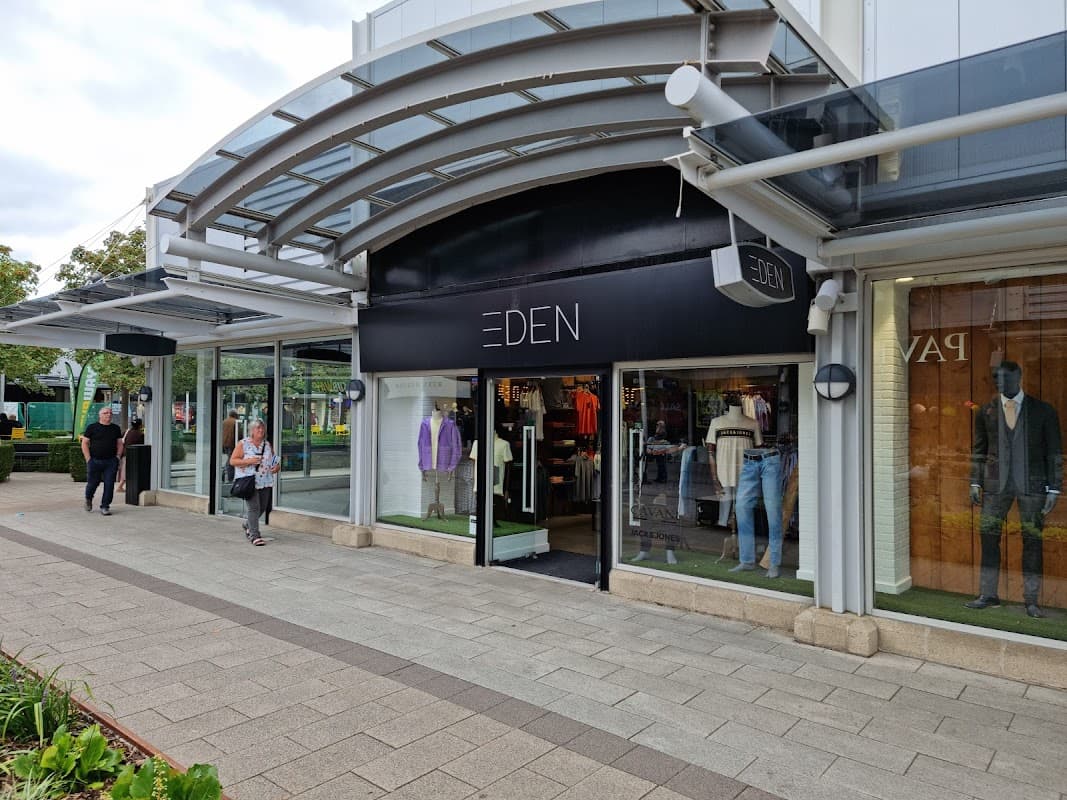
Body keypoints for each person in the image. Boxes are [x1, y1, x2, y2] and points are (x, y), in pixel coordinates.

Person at [968, 361, 1062, 618]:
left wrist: (1054, 488)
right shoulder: (986, 411)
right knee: (988, 538)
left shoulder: (1043, 411)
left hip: (1032, 486)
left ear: (1019, 377)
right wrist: (975, 481)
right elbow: (979, 450)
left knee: (1032, 541)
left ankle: (1031, 601)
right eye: (996, 379)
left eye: (1006, 378)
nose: (1000, 383)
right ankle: (988, 595)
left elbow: (1054, 452)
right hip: (995, 486)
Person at [230, 419, 280, 546]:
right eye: (258, 428)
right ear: (252, 430)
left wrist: (276, 467)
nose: (261, 430)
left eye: (262, 428)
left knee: (262, 507)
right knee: (254, 508)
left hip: (265, 480)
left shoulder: (267, 445)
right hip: (249, 481)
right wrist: (249, 461)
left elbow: (274, 460)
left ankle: (248, 524)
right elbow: (233, 461)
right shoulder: (243, 444)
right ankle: (254, 535)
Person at [81, 407, 124, 516]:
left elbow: (119, 443)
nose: (108, 415)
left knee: (109, 484)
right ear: (100, 415)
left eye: (110, 413)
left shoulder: (115, 428)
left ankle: (105, 506)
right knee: (93, 483)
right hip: (95, 461)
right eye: (105, 413)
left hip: (111, 461)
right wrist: (88, 459)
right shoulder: (92, 427)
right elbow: (85, 443)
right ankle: (88, 498)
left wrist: (118, 457)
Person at [117, 418, 145, 492]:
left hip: (124, 453)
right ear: (140, 425)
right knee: (127, 471)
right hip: (134, 455)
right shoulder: (140, 434)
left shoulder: (126, 431)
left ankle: (121, 486)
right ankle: (120, 487)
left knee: (125, 470)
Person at [221, 410, 238, 482]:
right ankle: (226, 472)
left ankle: (225, 471)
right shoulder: (236, 422)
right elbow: (239, 433)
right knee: (231, 460)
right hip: (232, 444)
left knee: (230, 458)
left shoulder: (224, 421)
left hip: (224, 443)